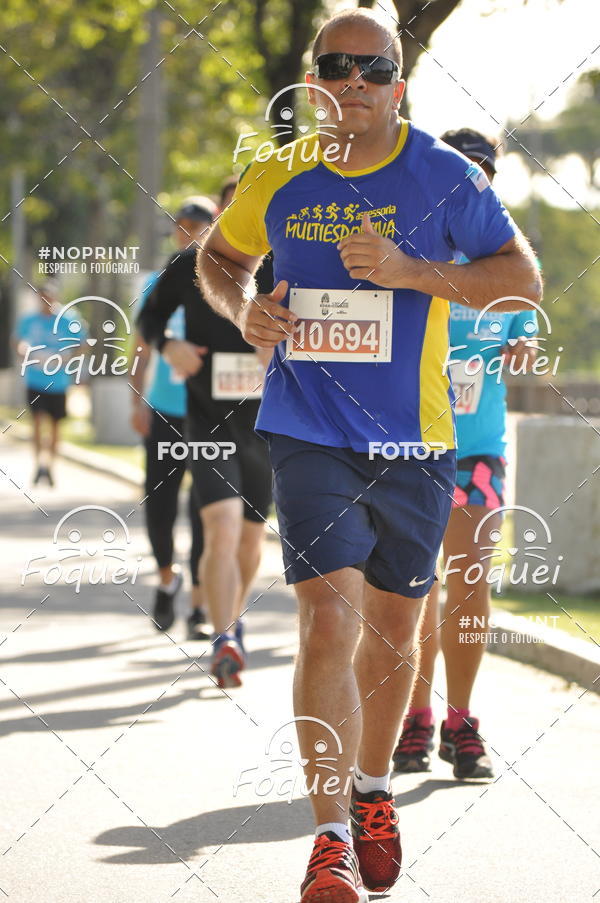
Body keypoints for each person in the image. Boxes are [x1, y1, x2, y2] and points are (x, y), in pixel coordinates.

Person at [197, 9, 541, 901]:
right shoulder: (277, 170)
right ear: (313, 81)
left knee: (392, 632)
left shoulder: (444, 175)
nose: (354, 81)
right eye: (336, 66)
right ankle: (328, 840)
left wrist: (411, 270)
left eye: (373, 68)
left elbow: (521, 280)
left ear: (399, 83)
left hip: (417, 440)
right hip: (307, 428)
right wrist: (244, 310)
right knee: (328, 618)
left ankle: (374, 789)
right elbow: (221, 258)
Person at [392, 129, 539, 780]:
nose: (471, 184)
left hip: (476, 448)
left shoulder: (506, 264)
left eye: (484, 173)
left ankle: (462, 718)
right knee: (413, 588)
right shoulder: (411, 252)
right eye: (461, 171)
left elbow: (526, 327)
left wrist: (524, 350)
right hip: (411, 444)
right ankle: (414, 716)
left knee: (469, 583)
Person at [138, 182, 272, 689]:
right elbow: (148, 316)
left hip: (266, 426)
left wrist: (281, 348)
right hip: (206, 421)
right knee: (221, 525)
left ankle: (232, 619)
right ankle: (224, 640)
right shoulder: (192, 263)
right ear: (223, 211)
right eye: (235, 204)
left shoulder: (286, 261)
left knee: (251, 540)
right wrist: (168, 344)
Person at [130, 200, 210, 639]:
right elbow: (141, 346)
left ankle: (199, 601)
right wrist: (136, 400)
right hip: (164, 411)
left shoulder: (223, 282)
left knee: (205, 509)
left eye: (197, 226)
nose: (188, 234)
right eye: (182, 228)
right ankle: (166, 579)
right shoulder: (159, 283)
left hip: (210, 416)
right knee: (159, 506)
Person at [14, 282, 84, 487]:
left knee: (54, 426)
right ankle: (38, 465)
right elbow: (18, 342)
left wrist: (65, 357)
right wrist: (28, 352)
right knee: (36, 421)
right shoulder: (29, 320)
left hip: (59, 382)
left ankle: (51, 466)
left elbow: (83, 343)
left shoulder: (68, 319)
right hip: (35, 380)